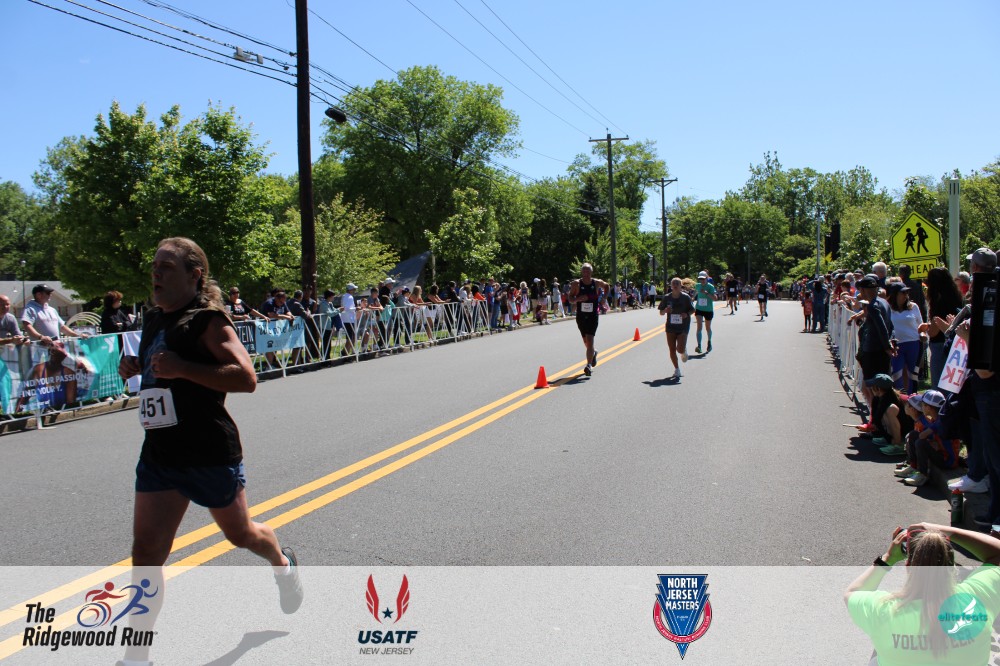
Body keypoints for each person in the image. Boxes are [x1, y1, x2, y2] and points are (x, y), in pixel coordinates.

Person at [116, 238, 301, 666]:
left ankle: (281, 561)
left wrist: (182, 368)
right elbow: (159, 372)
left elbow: (246, 378)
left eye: (166, 267)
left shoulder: (208, 321)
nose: (156, 273)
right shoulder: (153, 319)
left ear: (194, 275)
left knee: (241, 535)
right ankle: (136, 657)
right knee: (147, 552)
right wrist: (135, 368)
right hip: (160, 453)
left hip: (208, 451)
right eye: (154, 266)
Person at [845, 522, 1000, 666]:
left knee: (879, 643)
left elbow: (853, 592)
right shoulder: (977, 598)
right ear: (952, 567)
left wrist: (887, 559)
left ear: (908, 566)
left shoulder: (882, 609)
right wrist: (941, 530)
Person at [923, 267, 963, 388]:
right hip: (955, 345)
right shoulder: (957, 298)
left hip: (940, 347)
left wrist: (927, 329)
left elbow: (933, 332)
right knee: (953, 386)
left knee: (939, 386)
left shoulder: (938, 302)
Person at [568, 263, 610, 377]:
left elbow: (607, 286)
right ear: (582, 272)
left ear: (591, 272)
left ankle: (588, 365)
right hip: (581, 316)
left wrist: (604, 298)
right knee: (586, 341)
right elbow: (570, 298)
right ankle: (594, 352)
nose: (586, 273)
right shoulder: (576, 284)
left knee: (590, 340)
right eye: (584, 271)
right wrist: (577, 299)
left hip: (593, 315)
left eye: (588, 271)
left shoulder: (596, 283)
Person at [886, 282, 925, 394]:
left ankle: (912, 397)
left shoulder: (913, 307)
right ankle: (900, 398)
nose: (906, 295)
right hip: (896, 345)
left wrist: (923, 334)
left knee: (912, 374)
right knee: (897, 373)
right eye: (903, 292)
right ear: (895, 294)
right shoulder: (888, 308)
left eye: (907, 292)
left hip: (913, 343)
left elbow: (920, 324)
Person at [21, 284, 88, 347]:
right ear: (38, 295)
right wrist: (41, 337)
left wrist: (77, 335)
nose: (50, 295)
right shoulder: (30, 309)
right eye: (48, 293)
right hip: (40, 348)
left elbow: (62, 327)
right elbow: (27, 325)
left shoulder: (52, 310)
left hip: (56, 347)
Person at [692, 271, 716, 354]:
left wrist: (706, 293)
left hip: (708, 309)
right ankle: (699, 346)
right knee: (699, 327)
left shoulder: (710, 287)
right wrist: (693, 297)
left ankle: (709, 342)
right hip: (699, 308)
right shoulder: (697, 285)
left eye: (703, 279)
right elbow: (696, 291)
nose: (702, 280)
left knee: (707, 327)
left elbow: (715, 298)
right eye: (700, 279)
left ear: (707, 278)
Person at [339, 283, 359, 357]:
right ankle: (345, 353)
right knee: (350, 337)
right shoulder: (349, 297)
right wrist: (356, 308)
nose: (354, 291)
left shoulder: (344, 296)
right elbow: (347, 308)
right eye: (353, 289)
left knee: (351, 337)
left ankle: (346, 352)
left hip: (346, 318)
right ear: (350, 290)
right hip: (349, 319)